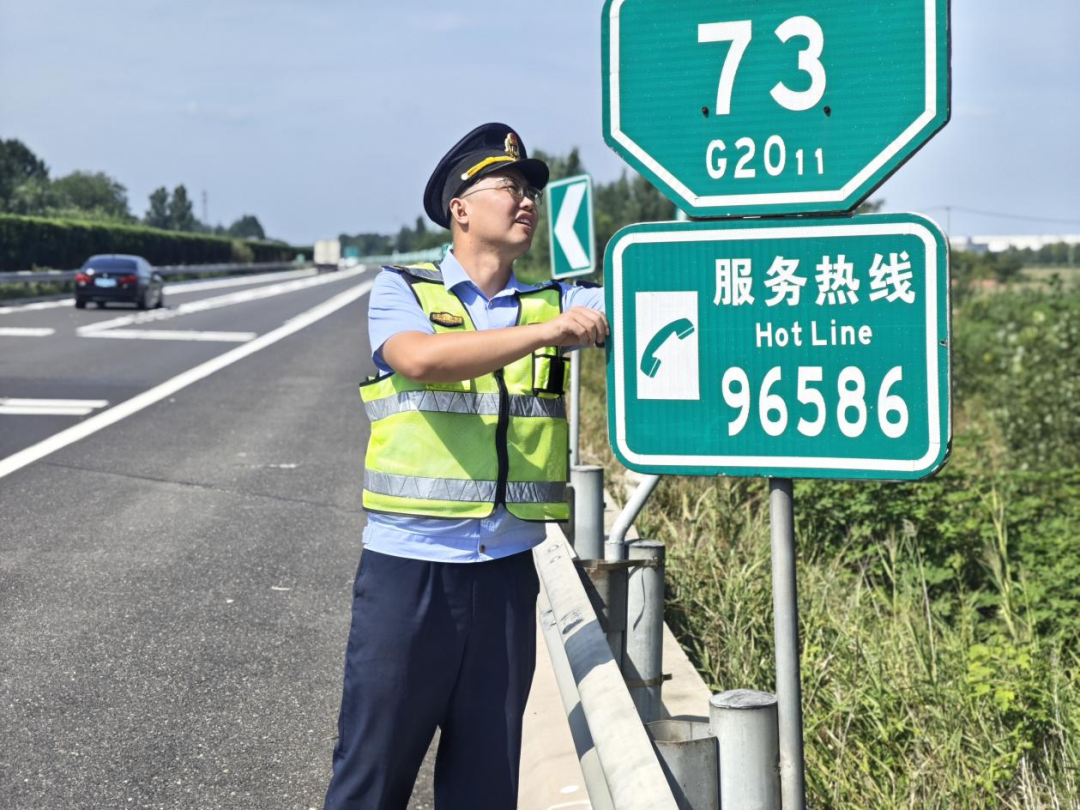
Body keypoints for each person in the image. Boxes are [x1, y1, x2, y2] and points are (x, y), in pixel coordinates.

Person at [323, 123, 607, 810]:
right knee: (370, 779)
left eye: (532, 191)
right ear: (461, 209)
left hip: (506, 577)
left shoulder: (558, 301)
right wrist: (546, 334)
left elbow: (655, 298)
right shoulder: (404, 291)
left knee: (486, 787)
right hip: (408, 574)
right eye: (510, 187)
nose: (527, 200)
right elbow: (419, 359)